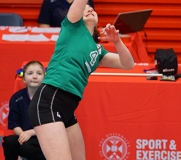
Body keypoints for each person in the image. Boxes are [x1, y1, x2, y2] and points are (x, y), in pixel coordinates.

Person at [28, 0, 134, 159]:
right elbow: (78, 4)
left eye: (92, 9)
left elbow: (128, 64)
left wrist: (117, 41)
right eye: (85, 9)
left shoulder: (98, 50)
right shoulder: (72, 27)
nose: (89, 10)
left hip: (68, 109)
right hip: (48, 102)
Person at [2, 61, 46, 160]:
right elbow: (14, 124)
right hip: (24, 135)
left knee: (26, 148)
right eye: (30, 73)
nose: (34, 77)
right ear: (24, 79)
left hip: (44, 136)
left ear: (44, 77)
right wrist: (22, 134)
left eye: (39, 73)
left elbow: (52, 125)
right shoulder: (17, 98)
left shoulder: (48, 98)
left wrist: (31, 133)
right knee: (9, 142)